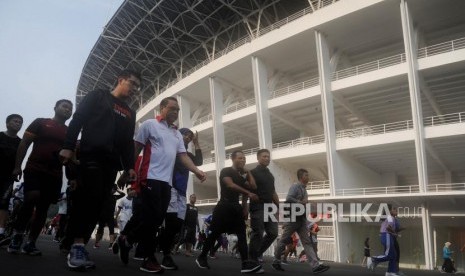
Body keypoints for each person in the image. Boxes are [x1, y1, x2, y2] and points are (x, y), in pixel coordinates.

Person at [59, 69, 140, 270]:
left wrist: (129, 166)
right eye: (132, 83)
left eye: (138, 87)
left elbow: (127, 143)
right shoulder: (98, 96)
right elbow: (77, 119)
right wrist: (68, 146)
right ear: (120, 79)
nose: (134, 89)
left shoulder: (130, 112)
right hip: (90, 156)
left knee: (98, 206)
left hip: (111, 164)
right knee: (88, 199)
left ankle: (75, 242)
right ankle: (77, 246)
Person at [116, 96, 206, 273]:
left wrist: (196, 170)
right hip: (149, 177)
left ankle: (126, 240)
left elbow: (183, 156)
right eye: (172, 108)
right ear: (162, 108)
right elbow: (136, 149)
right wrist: (127, 171)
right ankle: (148, 259)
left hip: (167, 183)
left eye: (178, 110)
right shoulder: (149, 125)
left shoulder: (176, 133)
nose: (175, 112)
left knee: (156, 221)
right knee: (150, 219)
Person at [8, 100, 73, 255]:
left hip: (55, 173)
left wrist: (73, 177)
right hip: (34, 168)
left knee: (43, 207)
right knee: (31, 197)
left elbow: (71, 156)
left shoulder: (70, 131)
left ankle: (31, 242)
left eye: (70, 109)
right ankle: (17, 235)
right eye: (65, 106)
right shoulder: (40, 122)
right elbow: (24, 143)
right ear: (55, 108)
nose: (68, 110)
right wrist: (18, 166)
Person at [195, 150, 262, 273]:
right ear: (233, 159)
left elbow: (253, 187)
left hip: (236, 208)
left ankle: (245, 264)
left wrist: (248, 173)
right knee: (215, 233)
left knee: (242, 234)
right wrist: (248, 193)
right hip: (223, 207)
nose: (243, 160)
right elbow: (230, 185)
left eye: (244, 158)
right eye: (240, 158)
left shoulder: (241, 177)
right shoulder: (226, 171)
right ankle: (202, 256)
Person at [272, 169, 329, 274]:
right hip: (293, 218)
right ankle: (276, 260)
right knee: (284, 240)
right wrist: (300, 202)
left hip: (301, 219)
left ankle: (315, 266)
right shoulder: (295, 186)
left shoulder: (304, 189)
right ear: (301, 177)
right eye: (306, 175)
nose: (308, 177)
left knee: (307, 242)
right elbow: (288, 198)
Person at [248, 149, 279, 263]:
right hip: (257, 207)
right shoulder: (252, 173)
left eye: (268, 156)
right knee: (258, 233)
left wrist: (279, 206)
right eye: (264, 156)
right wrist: (245, 208)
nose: (267, 158)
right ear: (258, 158)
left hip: (269, 208)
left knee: (273, 233)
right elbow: (246, 192)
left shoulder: (270, 175)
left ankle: (256, 253)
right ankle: (252, 258)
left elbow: (273, 192)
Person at [0, 114, 23, 244]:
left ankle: (1, 232)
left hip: (8, 177)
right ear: (7, 123)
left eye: (20, 122)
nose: (18, 124)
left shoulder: (20, 142)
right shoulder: (0, 136)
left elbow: (20, 159)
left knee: (3, 203)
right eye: (15, 121)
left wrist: (18, 169)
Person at [367, 204, 399, 276]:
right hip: (387, 236)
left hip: (385, 236)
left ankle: (390, 272)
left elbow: (384, 228)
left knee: (393, 255)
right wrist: (395, 233)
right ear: (390, 210)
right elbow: (388, 228)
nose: (396, 211)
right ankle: (373, 259)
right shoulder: (391, 218)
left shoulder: (386, 218)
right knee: (388, 255)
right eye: (395, 210)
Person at [93, 185, 125, 249]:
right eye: (113, 189)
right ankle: (96, 243)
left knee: (111, 229)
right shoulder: (104, 196)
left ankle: (111, 244)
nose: (114, 191)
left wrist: (117, 190)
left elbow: (123, 194)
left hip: (110, 216)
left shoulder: (115, 197)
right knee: (100, 229)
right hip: (102, 215)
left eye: (114, 190)